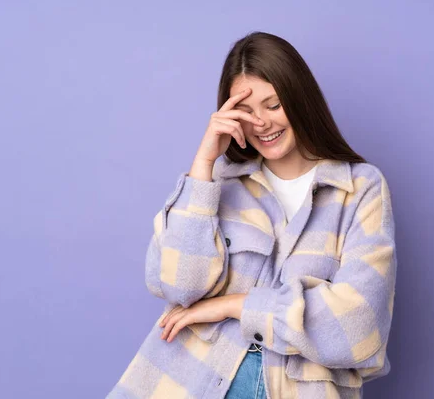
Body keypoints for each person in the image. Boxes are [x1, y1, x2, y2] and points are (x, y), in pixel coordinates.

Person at [107, 31, 397, 399]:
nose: (260, 122)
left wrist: (235, 305)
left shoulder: (360, 190)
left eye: (273, 105)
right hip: (187, 382)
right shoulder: (218, 185)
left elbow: (360, 328)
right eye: (245, 110)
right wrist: (204, 166)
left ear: (300, 99)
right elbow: (179, 285)